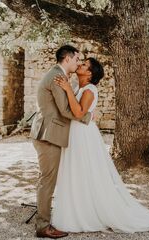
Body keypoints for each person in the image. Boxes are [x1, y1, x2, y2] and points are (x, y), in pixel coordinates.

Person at [52, 57, 149, 233]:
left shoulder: (89, 90)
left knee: (85, 170)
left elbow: (78, 112)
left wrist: (66, 89)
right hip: (75, 133)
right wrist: (69, 89)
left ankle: (89, 213)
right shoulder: (78, 87)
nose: (80, 65)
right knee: (76, 171)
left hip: (83, 135)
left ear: (89, 74)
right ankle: (77, 208)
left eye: (84, 65)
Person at [30, 45, 92, 238]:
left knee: (47, 179)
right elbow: (65, 111)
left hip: (49, 133)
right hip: (48, 134)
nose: (78, 63)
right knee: (47, 181)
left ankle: (44, 219)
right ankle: (43, 226)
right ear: (67, 59)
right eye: (76, 59)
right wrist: (86, 116)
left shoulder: (60, 76)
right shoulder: (58, 78)